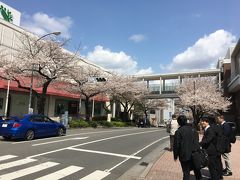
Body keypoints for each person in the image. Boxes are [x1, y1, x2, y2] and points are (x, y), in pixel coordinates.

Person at [173, 115, 202, 180]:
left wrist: (175, 155)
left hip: (184, 155)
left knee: (186, 172)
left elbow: (176, 145)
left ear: (179, 122)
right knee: (197, 171)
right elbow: (197, 141)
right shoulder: (193, 129)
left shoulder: (179, 132)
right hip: (195, 153)